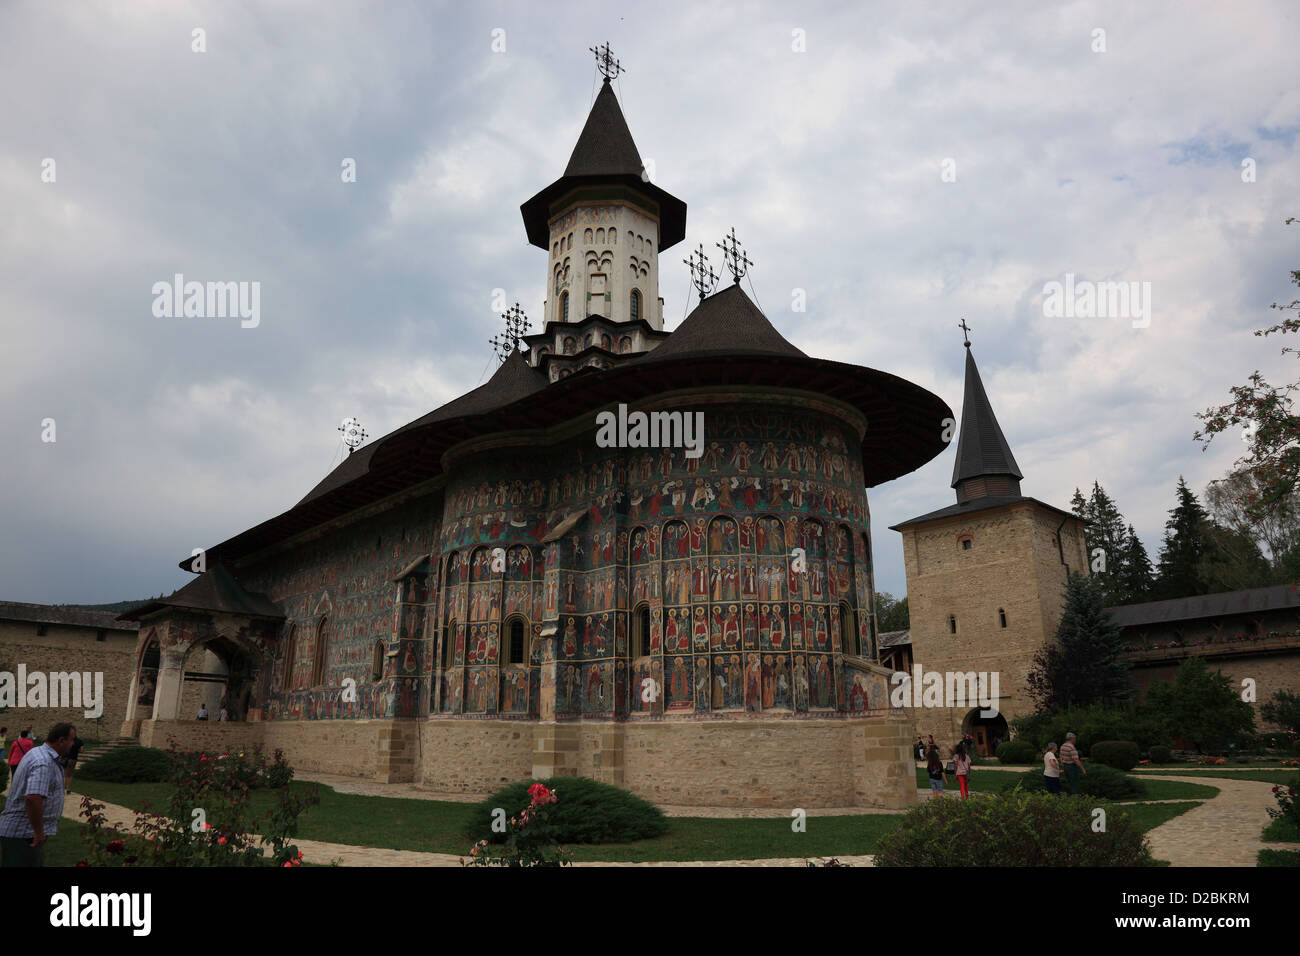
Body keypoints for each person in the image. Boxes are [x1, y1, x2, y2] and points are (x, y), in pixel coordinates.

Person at [0, 723, 76, 867]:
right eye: (71, 740)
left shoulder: (38, 752)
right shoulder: (43, 761)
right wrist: (39, 831)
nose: (73, 744)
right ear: (61, 740)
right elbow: (33, 798)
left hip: (24, 833)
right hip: (24, 834)